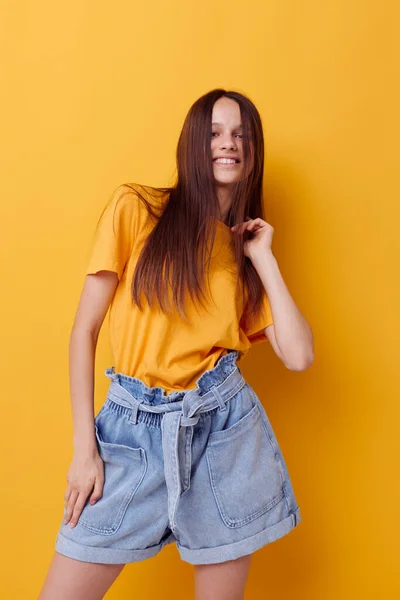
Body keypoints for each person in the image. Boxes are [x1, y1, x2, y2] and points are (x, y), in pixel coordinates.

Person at [39, 89, 313, 600]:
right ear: (193, 142)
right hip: (131, 431)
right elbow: (84, 331)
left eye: (241, 134)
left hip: (222, 434)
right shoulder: (136, 209)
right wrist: (84, 449)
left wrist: (264, 259)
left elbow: (299, 356)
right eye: (214, 132)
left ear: (253, 151)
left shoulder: (243, 257)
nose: (228, 144)